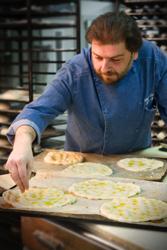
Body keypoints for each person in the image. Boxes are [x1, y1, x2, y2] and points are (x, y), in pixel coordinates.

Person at [6, 11, 167, 193]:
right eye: (97, 57)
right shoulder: (75, 72)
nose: (104, 68)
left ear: (134, 53)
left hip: (139, 165)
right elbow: (39, 110)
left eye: (116, 59)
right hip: (82, 167)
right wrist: (22, 143)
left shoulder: (152, 60)